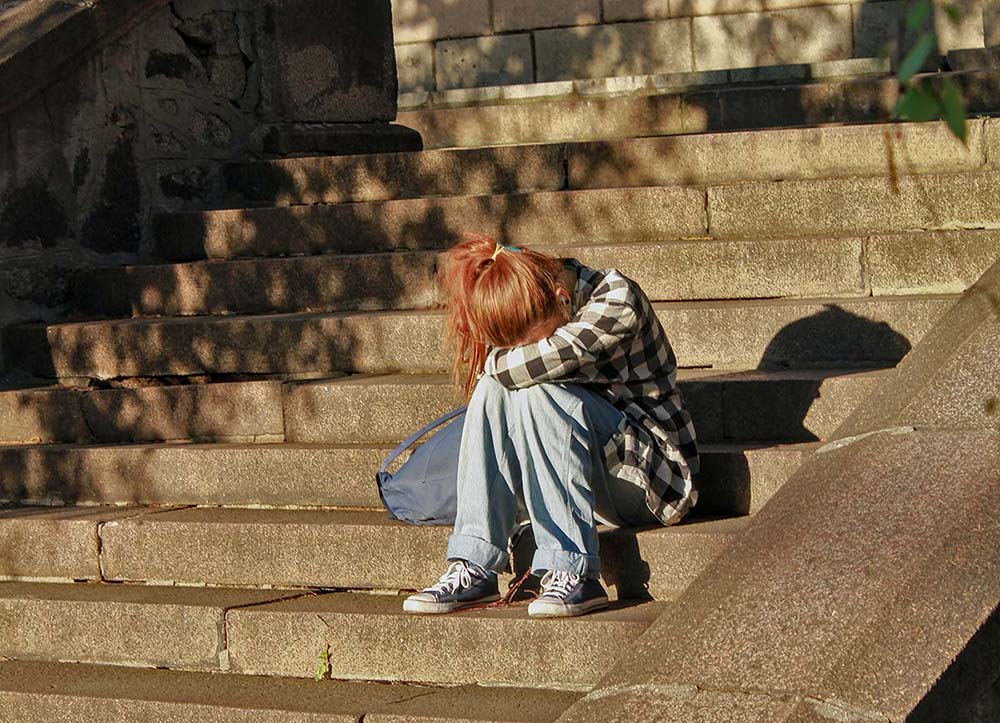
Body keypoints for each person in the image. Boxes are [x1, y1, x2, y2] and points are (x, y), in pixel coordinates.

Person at [402, 234, 699, 618]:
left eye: (532, 342)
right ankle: (474, 562)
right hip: (591, 477)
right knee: (498, 389)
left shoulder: (616, 300)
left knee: (532, 388)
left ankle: (573, 571)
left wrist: (495, 362)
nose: (523, 351)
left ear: (562, 298)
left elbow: (521, 365)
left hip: (653, 481)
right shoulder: (543, 305)